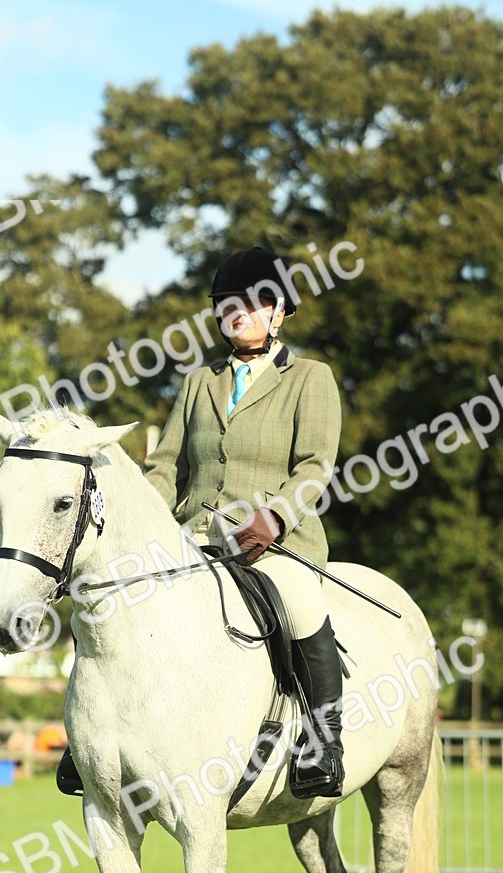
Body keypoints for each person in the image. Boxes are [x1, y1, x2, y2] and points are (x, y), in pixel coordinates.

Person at [57, 246, 345, 800]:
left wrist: (274, 517)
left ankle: (321, 743)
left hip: (274, 544)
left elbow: (316, 467)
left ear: (278, 311)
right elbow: (167, 465)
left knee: (302, 606)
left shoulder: (311, 378)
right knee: (106, 600)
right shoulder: (198, 383)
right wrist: (138, 522)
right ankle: (88, 740)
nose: (238, 313)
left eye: (253, 302)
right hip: (192, 539)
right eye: (228, 304)